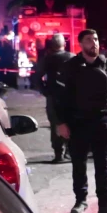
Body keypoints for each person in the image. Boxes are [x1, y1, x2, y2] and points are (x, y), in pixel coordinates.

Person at [55, 29, 107, 213]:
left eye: (95, 39)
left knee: (103, 165)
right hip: (77, 123)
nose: (93, 43)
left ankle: (105, 205)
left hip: (101, 122)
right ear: (81, 44)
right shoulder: (70, 66)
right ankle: (80, 201)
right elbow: (60, 98)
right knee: (78, 165)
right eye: (89, 40)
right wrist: (61, 122)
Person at [35, 34, 75, 163]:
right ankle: (70, 151)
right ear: (64, 44)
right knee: (72, 122)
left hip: (53, 96)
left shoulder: (47, 59)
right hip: (70, 97)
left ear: (52, 45)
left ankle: (59, 153)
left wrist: (44, 91)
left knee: (56, 124)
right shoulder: (72, 58)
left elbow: (36, 77)